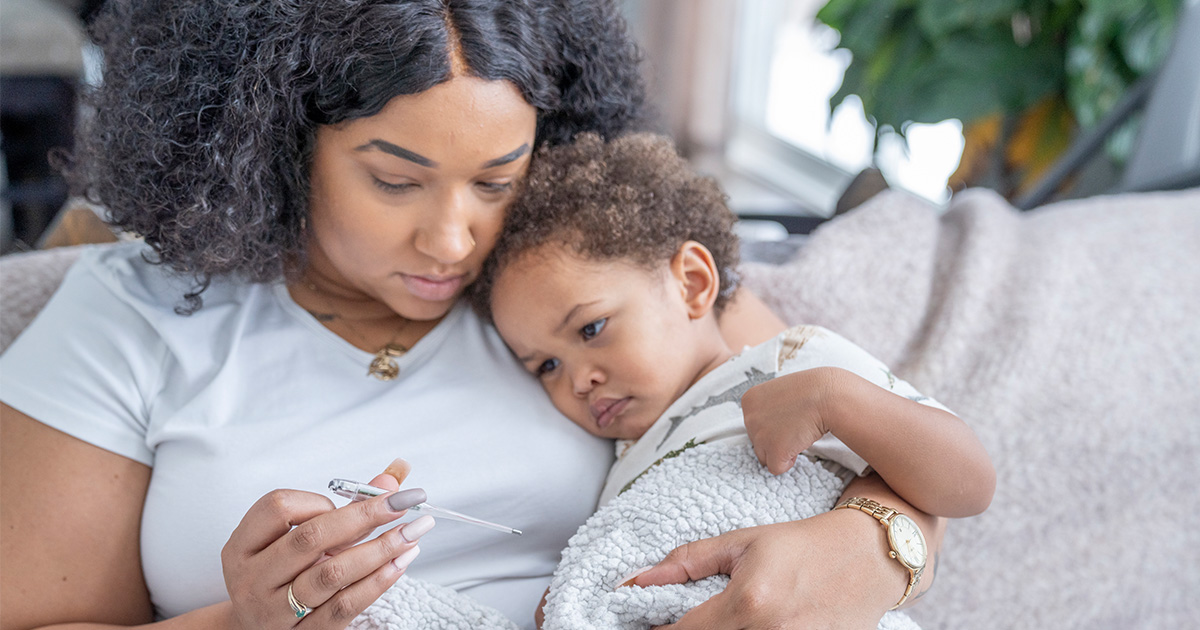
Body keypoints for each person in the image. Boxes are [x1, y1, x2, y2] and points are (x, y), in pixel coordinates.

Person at [1, 2, 949, 630]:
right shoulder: (129, 318)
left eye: (498, 180)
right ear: (272, 143)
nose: (454, 241)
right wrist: (248, 620)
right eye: (394, 180)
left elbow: (851, 430)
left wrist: (876, 549)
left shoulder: (578, 278)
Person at [471, 132, 995, 628]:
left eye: (592, 328)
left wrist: (832, 399)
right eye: (546, 366)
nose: (578, 381)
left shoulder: (793, 362)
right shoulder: (617, 463)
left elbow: (970, 484)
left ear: (692, 284)